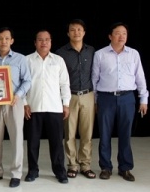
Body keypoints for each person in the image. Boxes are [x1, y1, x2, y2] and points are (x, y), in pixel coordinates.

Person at [92, 22, 148, 182]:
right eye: (117, 33)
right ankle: (105, 167)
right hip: (105, 98)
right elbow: (94, 79)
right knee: (104, 134)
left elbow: (140, 77)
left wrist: (144, 99)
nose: (121, 36)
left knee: (125, 134)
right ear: (110, 36)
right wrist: (95, 102)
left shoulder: (133, 54)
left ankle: (125, 167)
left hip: (127, 98)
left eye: (124, 33)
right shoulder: (100, 54)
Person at [0, 27, 31, 188]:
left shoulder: (20, 59)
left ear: (12, 41)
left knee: (16, 139)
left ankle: (16, 174)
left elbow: (27, 81)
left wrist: (18, 95)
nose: (3, 41)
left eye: (6, 38)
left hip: (14, 103)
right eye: (0, 38)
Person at [24, 29, 71, 184]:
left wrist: (66, 104)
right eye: (40, 39)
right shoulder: (27, 61)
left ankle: (59, 171)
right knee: (32, 142)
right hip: (34, 107)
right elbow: (21, 84)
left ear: (51, 42)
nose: (44, 42)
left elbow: (65, 84)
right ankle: (32, 171)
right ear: (35, 42)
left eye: (47, 40)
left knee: (57, 142)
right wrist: (24, 104)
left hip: (54, 107)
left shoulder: (58, 60)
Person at [55, 19, 96, 179]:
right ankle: (72, 165)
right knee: (70, 133)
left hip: (88, 95)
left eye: (79, 29)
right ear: (68, 33)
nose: (76, 32)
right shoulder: (61, 53)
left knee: (87, 133)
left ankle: (85, 165)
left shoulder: (92, 51)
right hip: (69, 96)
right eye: (73, 30)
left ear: (84, 32)